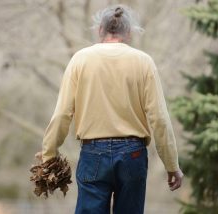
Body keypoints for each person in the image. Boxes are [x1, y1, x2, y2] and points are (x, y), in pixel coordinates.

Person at [35, 4, 183, 214]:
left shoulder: (80, 59)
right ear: (129, 33)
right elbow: (159, 119)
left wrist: (49, 155)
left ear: (100, 31)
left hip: (93, 154)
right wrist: (171, 165)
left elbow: (62, 114)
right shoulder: (144, 62)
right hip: (133, 155)